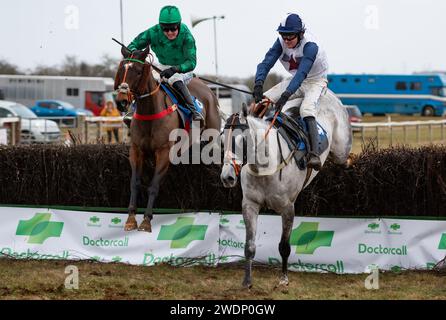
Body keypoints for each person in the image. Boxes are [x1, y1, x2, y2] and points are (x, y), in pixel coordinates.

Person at [253, 13, 328, 170]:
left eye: (290, 37)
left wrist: (286, 95)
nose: (286, 41)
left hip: (315, 81)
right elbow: (266, 63)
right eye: (283, 35)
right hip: (296, 80)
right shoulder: (281, 42)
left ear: (301, 34)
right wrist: (258, 84)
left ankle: (314, 154)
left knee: (306, 109)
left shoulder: (311, 45)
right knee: (262, 102)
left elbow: (302, 73)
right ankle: (253, 143)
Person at [125, 5, 204, 123]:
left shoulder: (187, 36)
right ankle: (133, 109)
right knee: (145, 78)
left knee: (175, 79)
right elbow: (132, 45)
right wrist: (137, 53)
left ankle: (194, 112)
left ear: (179, 25)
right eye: (166, 29)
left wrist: (175, 69)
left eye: (173, 29)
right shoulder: (153, 32)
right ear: (161, 27)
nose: (169, 32)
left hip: (182, 69)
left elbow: (191, 62)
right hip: (161, 65)